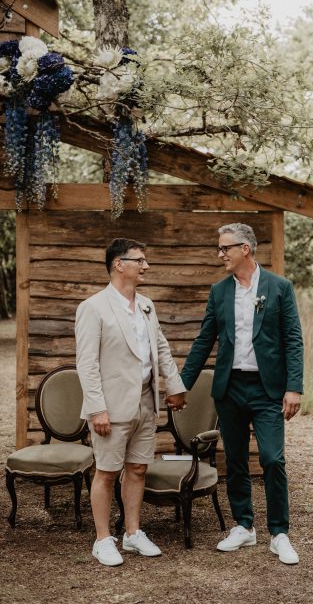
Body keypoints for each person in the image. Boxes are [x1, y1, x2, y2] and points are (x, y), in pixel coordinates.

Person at [181, 223, 303, 565]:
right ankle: (244, 526)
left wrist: (294, 387)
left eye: (225, 248)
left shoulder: (279, 287)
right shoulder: (219, 291)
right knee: (233, 460)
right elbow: (205, 340)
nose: (221, 254)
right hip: (230, 388)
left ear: (245, 249)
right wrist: (181, 384)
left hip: (268, 390)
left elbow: (293, 339)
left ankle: (279, 533)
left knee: (272, 458)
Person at [75, 237, 186, 566]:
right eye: (140, 260)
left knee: (137, 469)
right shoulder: (93, 308)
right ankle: (102, 539)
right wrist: (97, 409)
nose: (146, 266)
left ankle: (133, 533)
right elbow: (87, 363)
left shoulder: (147, 305)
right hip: (110, 407)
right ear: (118, 264)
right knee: (107, 473)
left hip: (145, 403)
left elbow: (161, 349)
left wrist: (175, 386)